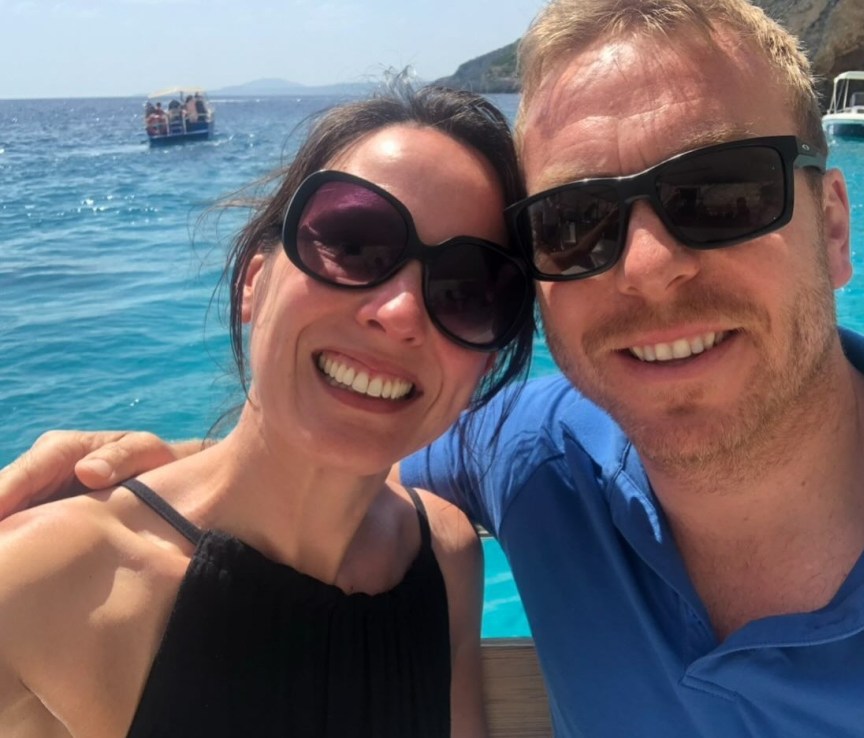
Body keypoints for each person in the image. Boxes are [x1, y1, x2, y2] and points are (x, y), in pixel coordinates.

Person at [2, 1, 864, 735]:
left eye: (718, 195)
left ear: (833, 228)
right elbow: (339, 454)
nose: (649, 265)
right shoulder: (538, 457)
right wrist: (177, 474)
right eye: (575, 224)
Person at [0, 83, 535, 737]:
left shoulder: (446, 556)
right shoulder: (54, 579)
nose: (399, 313)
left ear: (487, 362)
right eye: (354, 242)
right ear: (255, 281)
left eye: (466, 289)